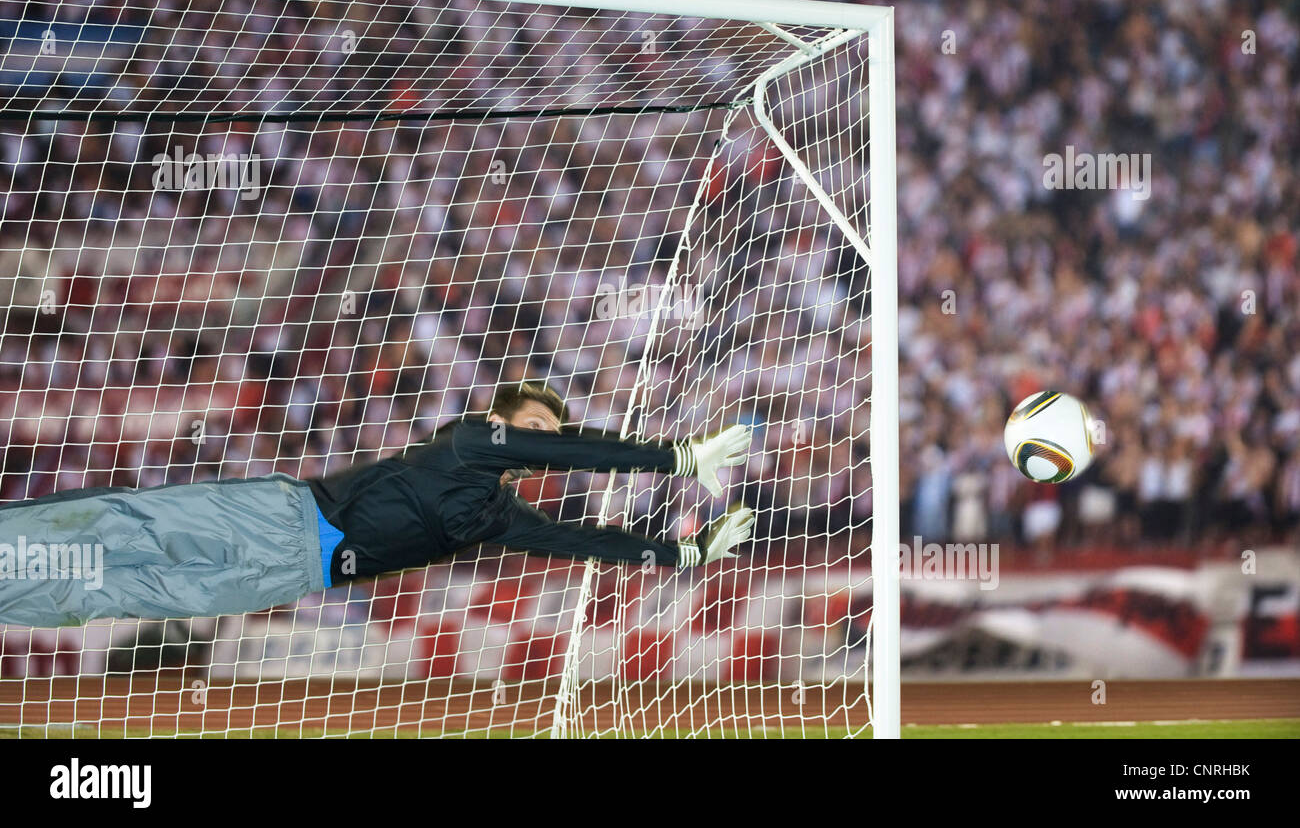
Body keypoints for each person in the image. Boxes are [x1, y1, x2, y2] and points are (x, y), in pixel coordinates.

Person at [0, 382, 754, 627]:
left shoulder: (495, 516)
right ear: (503, 425)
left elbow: (583, 541)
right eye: (533, 429)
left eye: (546, 437)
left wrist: (684, 552)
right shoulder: (466, 442)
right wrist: (679, 457)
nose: (541, 444)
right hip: (285, 514)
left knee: (126, 590)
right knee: (127, 526)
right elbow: (573, 452)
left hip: (296, 576)